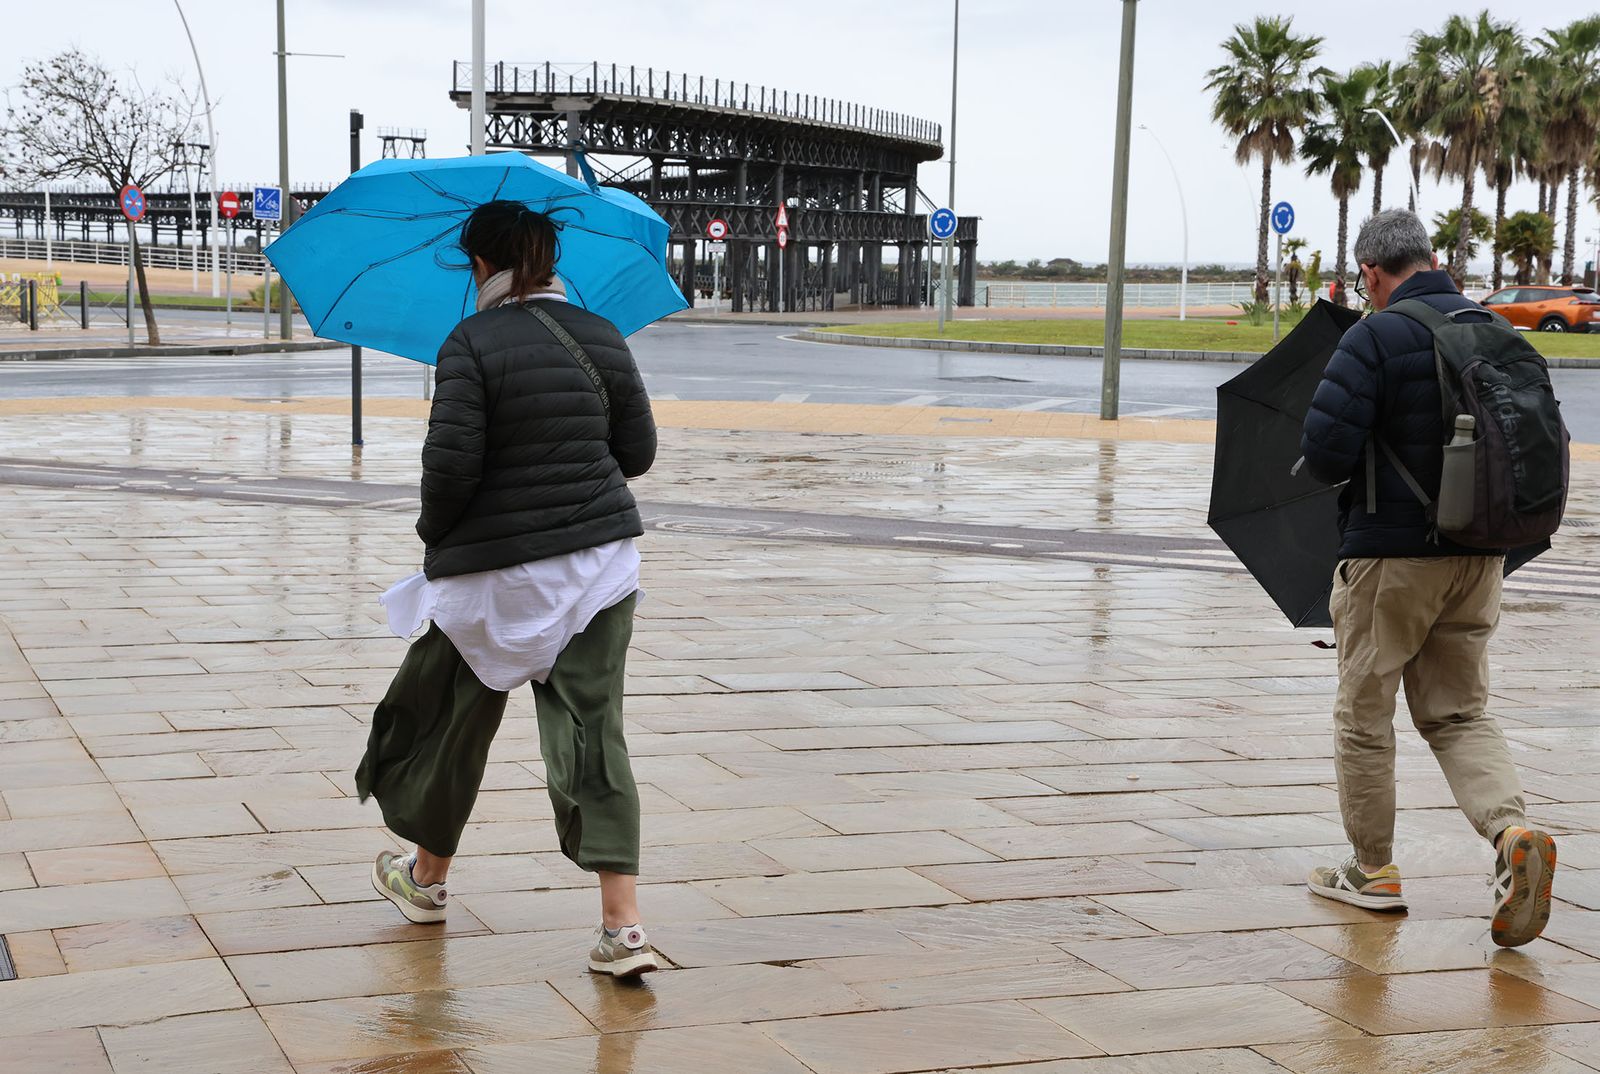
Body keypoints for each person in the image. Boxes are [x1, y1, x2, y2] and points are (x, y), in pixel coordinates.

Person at [356, 200, 661, 976]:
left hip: (494, 574)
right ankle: (622, 929)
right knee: (594, 731)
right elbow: (637, 452)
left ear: (481, 265)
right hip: (598, 568)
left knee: (449, 723)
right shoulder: (602, 335)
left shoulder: (470, 342)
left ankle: (426, 881)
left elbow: (450, 469)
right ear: (552, 259)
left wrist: (436, 540)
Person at [1298, 208, 1557, 948]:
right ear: (1433, 257)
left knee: (1364, 712)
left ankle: (1372, 870)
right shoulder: (1497, 331)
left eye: (1364, 281)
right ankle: (1511, 834)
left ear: (1373, 274)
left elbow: (1324, 455)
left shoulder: (1375, 334)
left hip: (1391, 559)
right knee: (1459, 713)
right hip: (1481, 556)